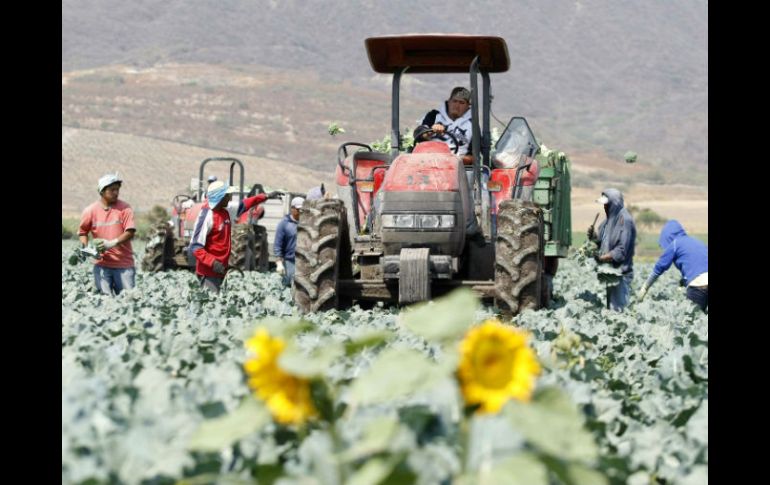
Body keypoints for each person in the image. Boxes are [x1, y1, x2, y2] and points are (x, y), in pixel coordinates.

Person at [190, 181, 280, 292]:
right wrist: (213, 263)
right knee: (210, 303)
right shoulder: (206, 216)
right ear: (220, 197)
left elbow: (245, 204)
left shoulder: (226, 210)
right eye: (228, 195)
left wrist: (266, 196)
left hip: (220, 271)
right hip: (208, 272)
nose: (230, 197)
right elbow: (195, 247)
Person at [78, 173, 137, 295]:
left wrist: (112, 243)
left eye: (117, 189)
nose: (116, 192)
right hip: (101, 266)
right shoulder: (90, 211)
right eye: (112, 190)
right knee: (103, 301)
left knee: (129, 302)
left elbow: (130, 232)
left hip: (124, 265)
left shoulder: (125, 208)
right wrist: (86, 248)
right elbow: (83, 232)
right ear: (102, 191)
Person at [638, 220, 708, 312]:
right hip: (702, 280)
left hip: (699, 285)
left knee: (692, 320)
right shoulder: (696, 241)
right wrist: (683, 281)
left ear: (667, 236)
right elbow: (698, 265)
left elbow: (658, 268)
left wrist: (645, 287)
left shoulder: (675, 244)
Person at [587, 188, 636, 311]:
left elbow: (621, 250)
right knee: (610, 314)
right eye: (604, 205)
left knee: (618, 313)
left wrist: (601, 258)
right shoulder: (606, 222)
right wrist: (593, 238)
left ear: (614, 204)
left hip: (620, 275)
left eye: (607, 205)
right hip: (608, 273)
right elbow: (602, 243)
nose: (604, 208)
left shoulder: (625, 221)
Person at [414, 86, 474, 164]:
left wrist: (456, 159)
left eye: (461, 103)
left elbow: (474, 156)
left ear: (467, 106)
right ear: (449, 102)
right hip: (429, 162)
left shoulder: (473, 125)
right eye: (454, 101)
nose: (457, 105)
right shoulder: (434, 116)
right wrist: (430, 132)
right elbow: (418, 134)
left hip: (457, 167)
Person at [275, 196, 304, 286]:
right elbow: (278, 244)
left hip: (304, 261)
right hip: (290, 261)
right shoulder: (284, 224)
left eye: (302, 210)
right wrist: (279, 262)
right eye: (298, 209)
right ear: (292, 209)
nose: (300, 212)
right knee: (290, 282)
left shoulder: (306, 224)